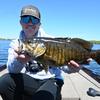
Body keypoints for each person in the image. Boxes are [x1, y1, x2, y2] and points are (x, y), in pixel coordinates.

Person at [0, 5, 80, 100]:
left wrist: (73, 68)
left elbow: (64, 67)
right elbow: (12, 71)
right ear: (20, 22)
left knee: (42, 96)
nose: (30, 23)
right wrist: (19, 61)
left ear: (39, 24)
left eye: (34, 20)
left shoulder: (52, 41)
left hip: (52, 79)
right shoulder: (16, 43)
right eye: (25, 19)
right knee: (4, 82)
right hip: (29, 80)